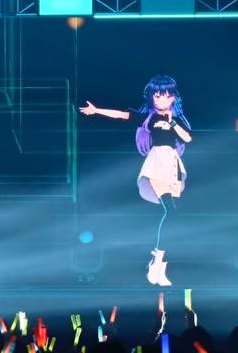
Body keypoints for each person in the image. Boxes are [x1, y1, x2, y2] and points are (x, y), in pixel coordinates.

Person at [79, 75, 192, 287]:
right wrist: (97, 110)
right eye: (157, 96)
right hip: (157, 166)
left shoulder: (178, 120)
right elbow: (122, 115)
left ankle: (159, 263)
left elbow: (188, 137)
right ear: (152, 98)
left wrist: (172, 122)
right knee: (171, 212)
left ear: (173, 97)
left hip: (173, 166)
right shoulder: (149, 118)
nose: (161, 100)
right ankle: (157, 262)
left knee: (174, 217)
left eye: (165, 96)